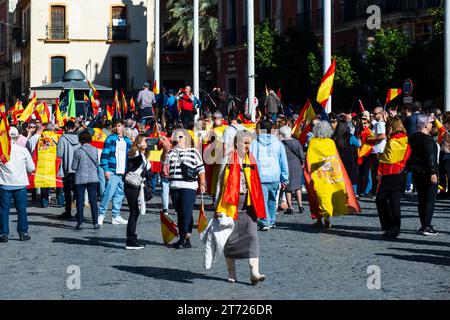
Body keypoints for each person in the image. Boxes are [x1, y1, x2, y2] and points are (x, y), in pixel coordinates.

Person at [215, 130, 267, 284]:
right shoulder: (228, 159)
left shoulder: (251, 158)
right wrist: (218, 207)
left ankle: (254, 272)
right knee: (230, 239)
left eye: (249, 143)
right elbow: (220, 182)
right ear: (237, 143)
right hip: (231, 204)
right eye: (245, 143)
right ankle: (232, 272)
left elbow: (256, 182)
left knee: (252, 236)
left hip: (249, 203)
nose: (248, 145)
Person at [304, 121, 360, 229]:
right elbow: (335, 157)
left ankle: (319, 219)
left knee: (317, 196)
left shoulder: (313, 142)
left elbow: (309, 159)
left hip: (317, 174)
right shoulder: (330, 142)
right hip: (330, 174)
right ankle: (327, 218)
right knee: (327, 196)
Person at [163, 129, 206, 249]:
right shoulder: (171, 152)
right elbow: (164, 167)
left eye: (180, 137)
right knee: (181, 213)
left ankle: (182, 239)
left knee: (186, 213)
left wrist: (202, 183)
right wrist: (166, 151)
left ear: (186, 138)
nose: (178, 139)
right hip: (174, 186)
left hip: (189, 187)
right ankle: (186, 237)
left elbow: (201, 169)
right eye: (176, 137)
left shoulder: (193, 152)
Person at [249, 118, 289, 231]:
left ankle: (265, 221)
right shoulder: (278, 144)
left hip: (260, 175)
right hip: (275, 176)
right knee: (272, 200)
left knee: (263, 200)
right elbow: (283, 162)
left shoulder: (254, 143)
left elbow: (252, 159)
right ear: (271, 129)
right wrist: (285, 178)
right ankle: (271, 220)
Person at [375, 117, 411, 238]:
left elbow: (389, 158)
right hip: (399, 172)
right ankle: (395, 226)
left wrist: (380, 156)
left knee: (381, 199)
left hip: (390, 173)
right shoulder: (405, 138)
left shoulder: (393, 141)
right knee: (394, 200)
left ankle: (390, 226)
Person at [0, 127, 35, 242]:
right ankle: (23, 232)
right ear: (17, 136)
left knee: (4, 210)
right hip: (20, 184)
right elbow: (31, 167)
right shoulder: (23, 150)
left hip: (5, 184)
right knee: (21, 210)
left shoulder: (1, 151)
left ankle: (3, 233)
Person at [408, 115, 440, 236]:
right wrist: (433, 173)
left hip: (417, 172)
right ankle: (426, 226)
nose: (432, 125)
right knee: (430, 200)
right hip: (427, 172)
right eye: (431, 123)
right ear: (426, 125)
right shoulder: (428, 139)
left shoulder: (413, 137)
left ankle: (424, 223)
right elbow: (430, 158)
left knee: (422, 199)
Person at [98, 119, 132, 226]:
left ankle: (116, 216)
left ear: (123, 127)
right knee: (108, 194)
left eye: (119, 125)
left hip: (123, 172)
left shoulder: (127, 141)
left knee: (120, 195)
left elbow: (130, 156)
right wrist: (106, 169)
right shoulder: (110, 138)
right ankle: (101, 214)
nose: (117, 128)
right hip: (112, 171)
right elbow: (104, 155)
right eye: (116, 126)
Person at [124, 134, 152, 250]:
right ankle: (130, 240)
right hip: (131, 184)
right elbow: (133, 158)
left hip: (138, 185)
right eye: (144, 140)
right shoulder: (134, 152)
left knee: (136, 211)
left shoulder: (145, 155)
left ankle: (132, 237)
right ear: (139, 142)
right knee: (134, 211)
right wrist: (137, 147)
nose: (146, 143)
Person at [71, 131, 100, 230]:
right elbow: (97, 162)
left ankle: (79, 223)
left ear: (80, 140)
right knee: (93, 200)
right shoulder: (95, 149)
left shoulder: (77, 151)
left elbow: (74, 167)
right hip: (93, 178)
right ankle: (95, 223)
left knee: (80, 201)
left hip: (80, 178)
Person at [56, 120, 80, 220]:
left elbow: (59, 154)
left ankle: (68, 211)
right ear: (74, 128)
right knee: (78, 192)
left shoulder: (62, 138)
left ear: (66, 128)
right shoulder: (79, 138)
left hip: (67, 168)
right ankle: (79, 212)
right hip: (78, 169)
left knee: (67, 192)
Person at [279, 126, 305, 214]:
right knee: (298, 187)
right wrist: (302, 162)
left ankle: (290, 207)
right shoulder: (296, 142)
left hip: (286, 166)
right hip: (297, 165)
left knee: (288, 188)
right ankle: (300, 205)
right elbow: (301, 154)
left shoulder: (280, 143)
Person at [333, 120, 360, 194]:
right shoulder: (350, 136)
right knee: (352, 178)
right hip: (350, 161)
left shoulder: (334, 137)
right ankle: (352, 194)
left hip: (338, 160)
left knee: (341, 178)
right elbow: (358, 144)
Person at [365, 107, 387, 196]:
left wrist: (371, 139)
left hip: (378, 152)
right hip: (377, 151)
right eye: (373, 114)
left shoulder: (380, 124)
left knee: (376, 173)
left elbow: (382, 136)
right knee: (375, 173)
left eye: (375, 114)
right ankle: (375, 191)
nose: (373, 115)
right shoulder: (378, 123)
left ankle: (376, 192)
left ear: (381, 113)